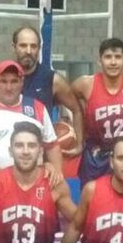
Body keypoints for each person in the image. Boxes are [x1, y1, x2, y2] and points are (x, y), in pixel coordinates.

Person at [71, 38, 123, 186]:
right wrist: (78, 117)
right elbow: (68, 99)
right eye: (108, 57)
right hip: (95, 155)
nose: (113, 62)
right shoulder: (85, 84)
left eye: (118, 57)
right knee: (93, 201)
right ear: (100, 60)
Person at [0, 60, 62, 172]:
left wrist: (58, 174)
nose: (9, 88)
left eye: (14, 81)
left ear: (22, 82)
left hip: (29, 183)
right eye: (3, 81)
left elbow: (52, 146)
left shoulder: (37, 108)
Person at [10, 26, 84, 154]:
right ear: (14, 47)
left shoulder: (53, 80)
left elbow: (77, 110)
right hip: (9, 149)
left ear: (39, 48)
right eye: (23, 45)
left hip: (41, 154)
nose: (28, 51)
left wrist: (79, 145)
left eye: (33, 46)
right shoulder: (1, 78)